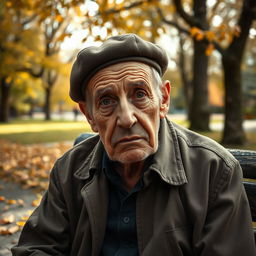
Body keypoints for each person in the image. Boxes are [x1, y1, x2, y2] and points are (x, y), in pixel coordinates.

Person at [12, 34, 255, 255]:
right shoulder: (68, 170)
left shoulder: (214, 171)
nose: (127, 119)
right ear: (89, 116)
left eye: (139, 94)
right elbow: (37, 248)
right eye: (106, 101)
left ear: (163, 99)